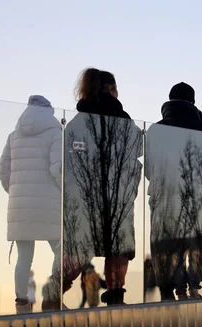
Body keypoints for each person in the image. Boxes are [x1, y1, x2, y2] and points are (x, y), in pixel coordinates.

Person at [58, 68, 143, 307]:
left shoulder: (78, 121)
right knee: (118, 247)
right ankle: (116, 296)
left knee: (80, 245)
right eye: (116, 88)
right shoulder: (122, 118)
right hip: (118, 195)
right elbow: (139, 148)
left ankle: (56, 290)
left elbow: (69, 158)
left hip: (86, 195)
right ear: (109, 89)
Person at [145, 82, 202, 300]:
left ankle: (167, 291)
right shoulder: (198, 128)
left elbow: (149, 172)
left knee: (167, 243)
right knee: (200, 241)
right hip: (194, 196)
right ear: (192, 102)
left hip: (164, 197)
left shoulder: (155, 129)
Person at [0, 95, 62, 314]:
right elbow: (59, 169)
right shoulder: (55, 133)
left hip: (20, 207)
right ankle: (53, 297)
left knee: (23, 257)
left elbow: (3, 171)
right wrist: (65, 193)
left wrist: (16, 192)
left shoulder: (13, 136)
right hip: (50, 205)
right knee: (62, 251)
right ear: (49, 111)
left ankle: (22, 304)